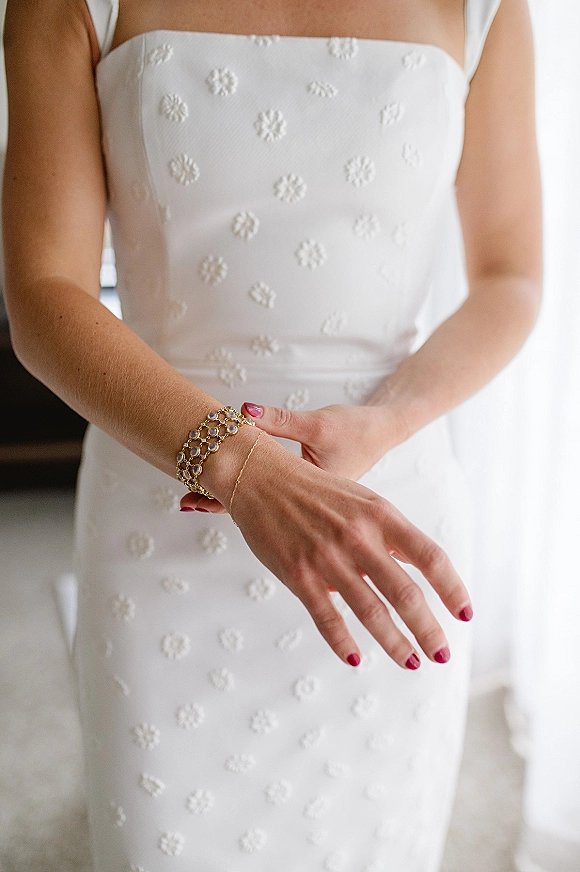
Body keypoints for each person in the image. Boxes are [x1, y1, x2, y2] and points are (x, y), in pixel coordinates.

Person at [2, 0, 542, 869]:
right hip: (164, 503)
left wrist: (389, 421)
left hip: (386, 500)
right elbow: (42, 292)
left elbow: (511, 276)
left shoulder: (486, 9)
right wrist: (243, 468)